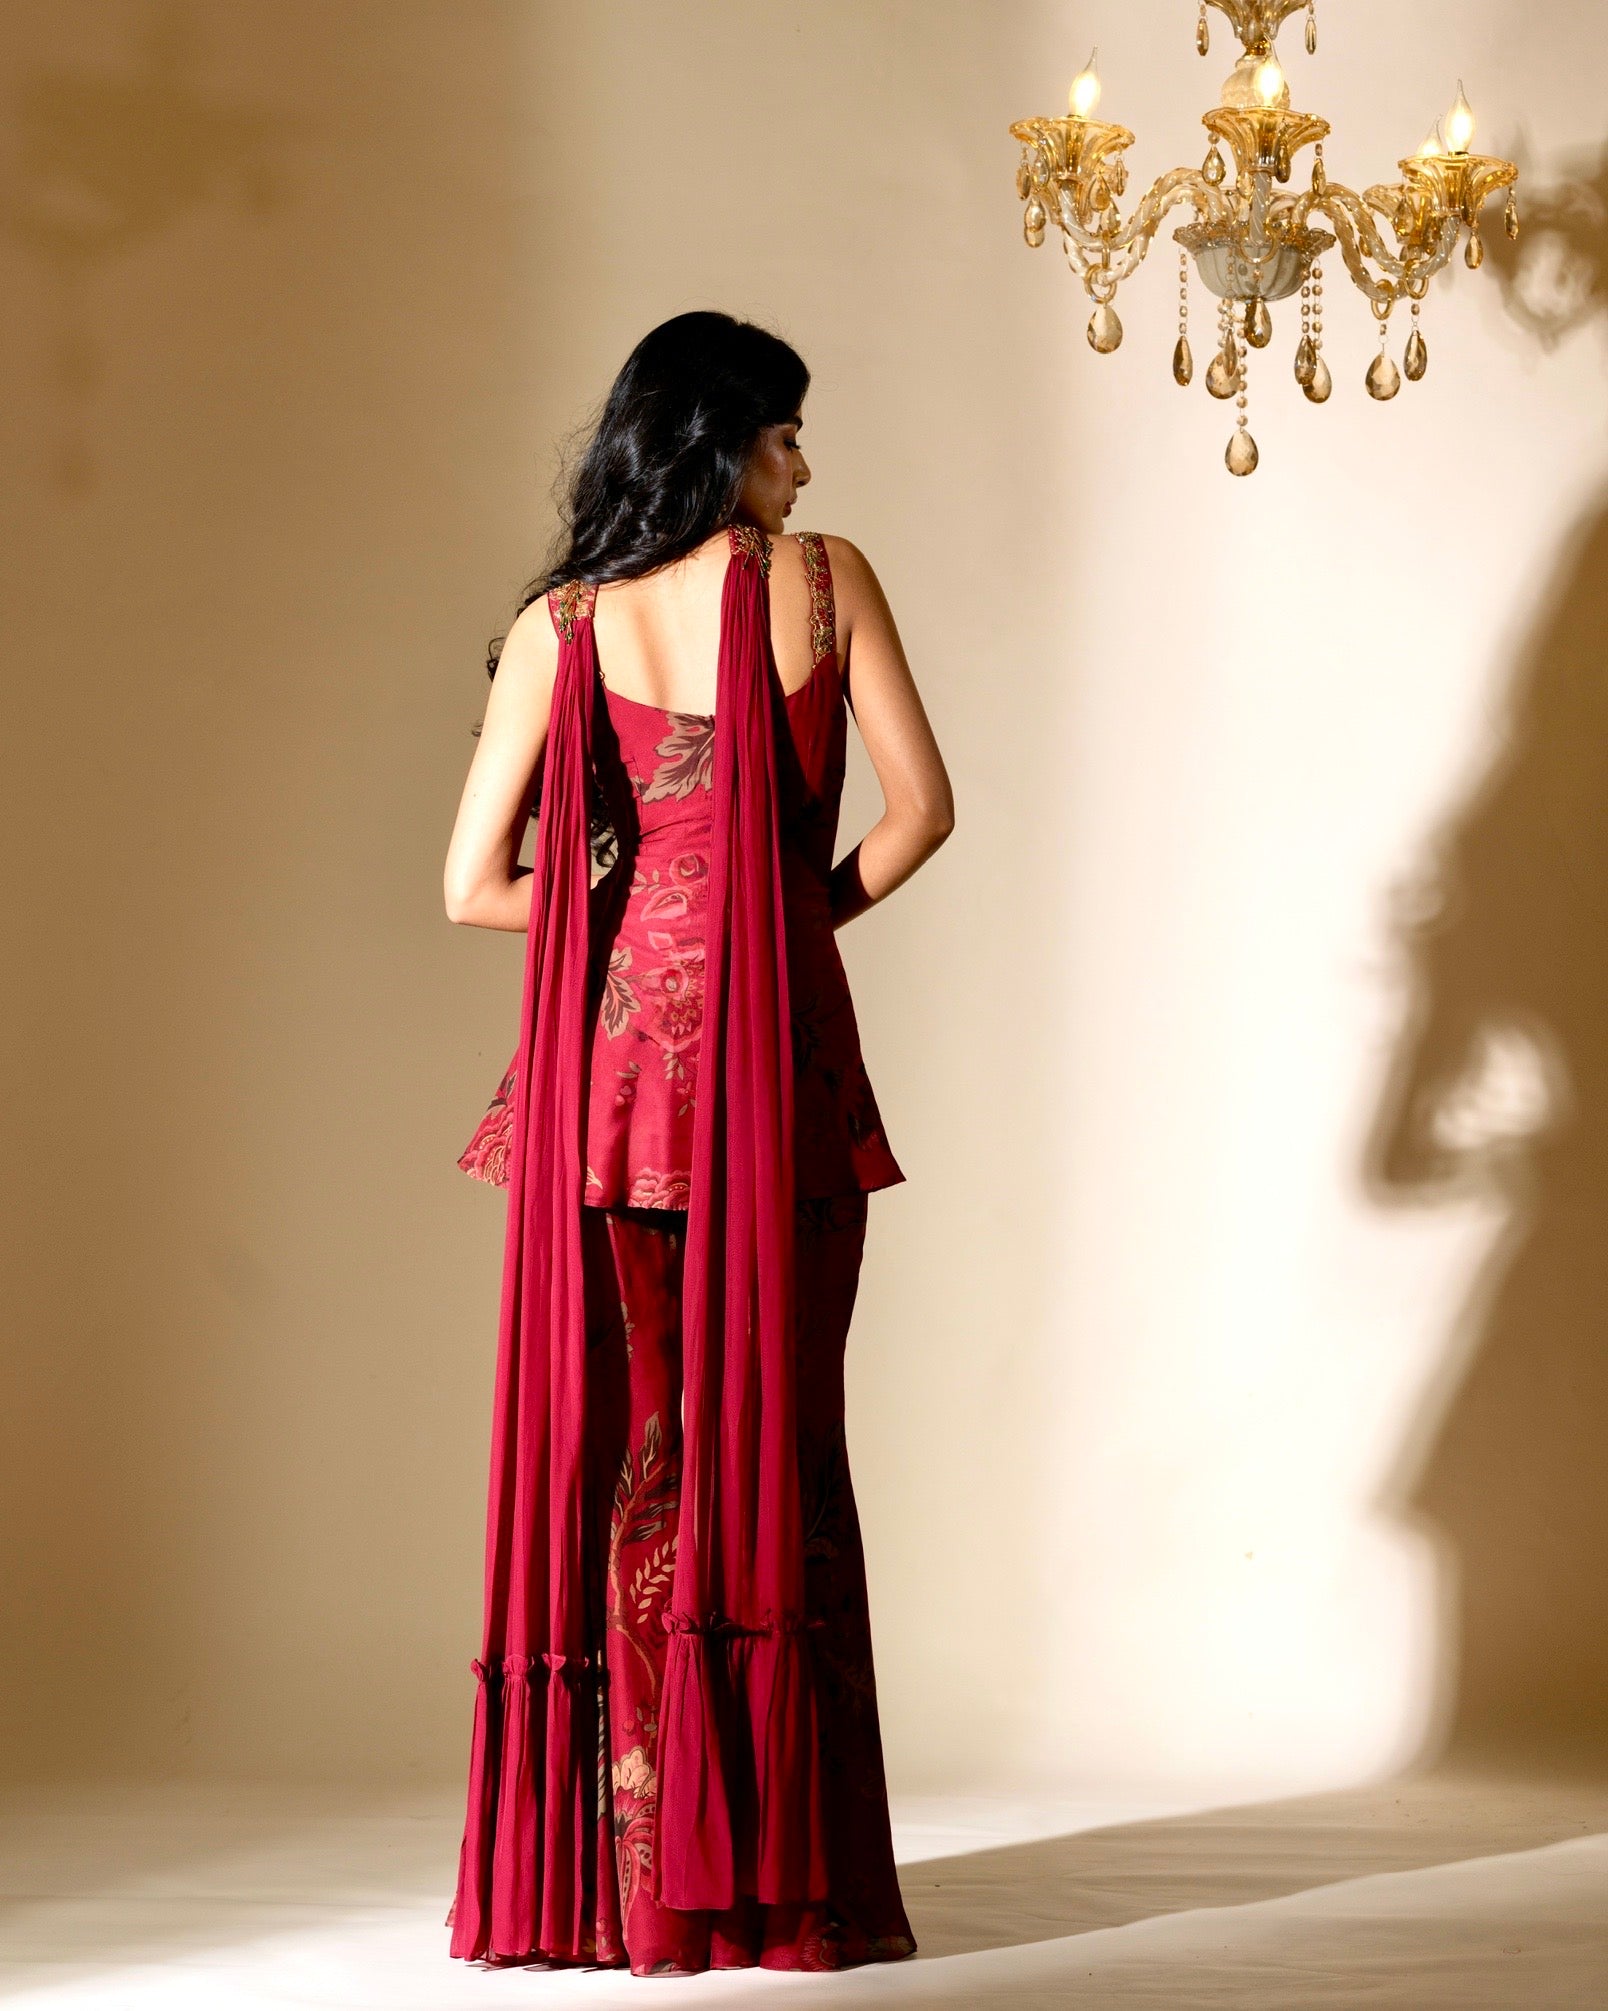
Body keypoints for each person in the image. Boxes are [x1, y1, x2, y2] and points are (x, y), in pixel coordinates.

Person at [440, 310, 953, 1977]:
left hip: (618, 1097)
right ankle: (789, 1884)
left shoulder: (565, 624)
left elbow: (471, 886)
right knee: (787, 1456)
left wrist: (638, 924)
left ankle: (633, 1880)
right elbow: (924, 815)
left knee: (643, 1461)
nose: (802, 463)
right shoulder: (828, 583)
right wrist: (779, 934)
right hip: (782, 1079)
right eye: (785, 432)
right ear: (723, 439)